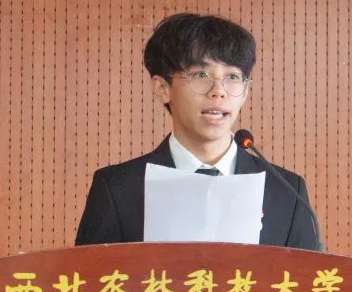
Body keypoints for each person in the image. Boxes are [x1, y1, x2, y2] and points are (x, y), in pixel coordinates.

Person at [75, 13, 321, 250]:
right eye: (201, 75)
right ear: (162, 88)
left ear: (245, 91)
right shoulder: (117, 189)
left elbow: (307, 277)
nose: (219, 91)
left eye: (232, 76)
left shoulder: (287, 191)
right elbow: (87, 277)